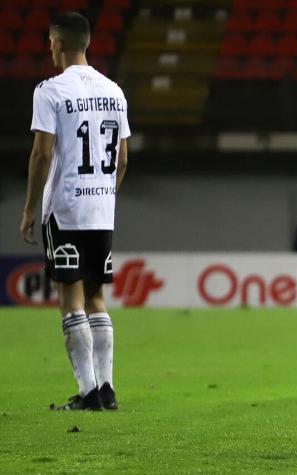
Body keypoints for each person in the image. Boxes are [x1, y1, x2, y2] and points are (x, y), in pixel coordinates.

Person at [19, 12, 130, 411]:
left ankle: (87, 394)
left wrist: (31, 207)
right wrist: (104, 194)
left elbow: (42, 152)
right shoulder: (114, 91)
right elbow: (121, 158)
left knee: (72, 297)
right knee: (97, 296)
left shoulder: (50, 91)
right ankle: (107, 389)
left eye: (50, 43)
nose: (49, 49)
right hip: (102, 209)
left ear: (60, 44)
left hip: (65, 209)